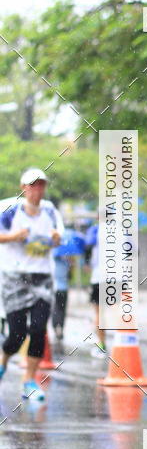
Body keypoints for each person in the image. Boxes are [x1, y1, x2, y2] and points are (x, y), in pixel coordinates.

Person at [0, 168, 64, 401]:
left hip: (42, 278)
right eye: (32, 185)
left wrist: (56, 239)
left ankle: (29, 380)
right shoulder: (9, 209)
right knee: (17, 334)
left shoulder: (49, 210)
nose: (37, 190)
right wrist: (14, 236)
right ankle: (3, 362)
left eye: (41, 185)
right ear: (23, 188)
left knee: (38, 330)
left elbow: (59, 237)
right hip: (14, 278)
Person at [85, 222, 106, 358]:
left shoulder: (95, 230)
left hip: (99, 276)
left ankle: (102, 344)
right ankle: (121, 341)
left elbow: (87, 246)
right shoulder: (123, 231)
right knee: (117, 311)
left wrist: (87, 263)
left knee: (99, 313)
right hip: (118, 278)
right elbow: (134, 251)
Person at [52, 248, 71, 351]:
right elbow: (69, 276)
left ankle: (56, 329)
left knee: (55, 309)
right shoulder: (66, 262)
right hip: (64, 289)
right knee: (62, 309)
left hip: (55, 288)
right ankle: (61, 329)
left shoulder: (53, 261)